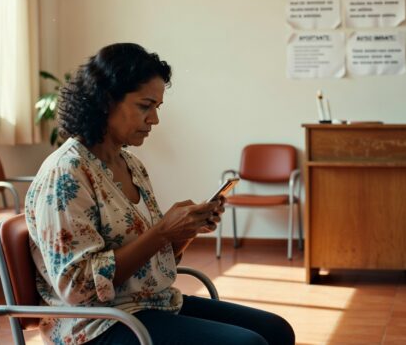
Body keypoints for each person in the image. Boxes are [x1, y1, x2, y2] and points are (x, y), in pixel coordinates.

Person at [24, 43, 295, 345]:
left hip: (148, 305)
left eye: (157, 108)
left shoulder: (131, 165)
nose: (154, 119)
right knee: (249, 344)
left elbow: (153, 260)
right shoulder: (66, 173)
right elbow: (78, 287)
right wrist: (163, 231)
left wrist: (184, 232)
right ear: (105, 101)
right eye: (145, 106)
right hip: (94, 326)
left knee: (277, 331)